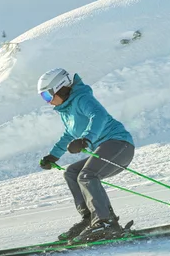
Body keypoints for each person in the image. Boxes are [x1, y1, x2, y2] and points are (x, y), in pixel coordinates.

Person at [35, 67, 135, 243]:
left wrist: (86, 140)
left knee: (87, 175)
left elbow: (99, 116)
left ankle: (105, 222)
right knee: (71, 173)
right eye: (44, 98)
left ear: (60, 87)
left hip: (119, 145)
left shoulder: (82, 98)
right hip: (106, 148)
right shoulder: (67, 110)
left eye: (48, 96)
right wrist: (53, 156)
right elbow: (68, 135)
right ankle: (91, 218)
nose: (48, 102)